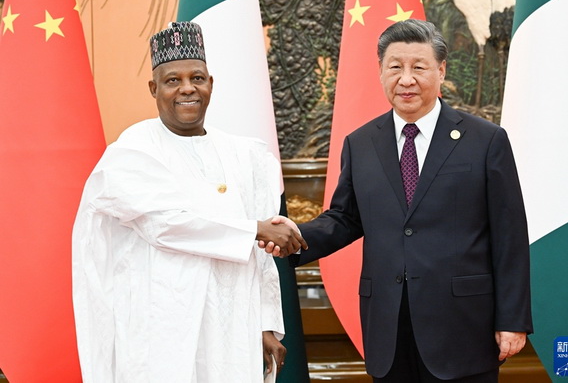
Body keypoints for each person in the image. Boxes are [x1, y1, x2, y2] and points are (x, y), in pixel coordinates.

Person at [286, 19, 533, 382]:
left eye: (419, 67)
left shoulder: (485, 140)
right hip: (389, 325)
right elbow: (345, 218)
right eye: (395, 67)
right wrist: (292, 237)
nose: (406, 79)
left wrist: (512, 319)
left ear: (441, 70)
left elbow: (509, 235)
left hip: (463, 325)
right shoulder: (360, 143)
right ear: (380, 72)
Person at [72, 21, 307, 382]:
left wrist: (265, 323)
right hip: (160, 328)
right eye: (173, 80)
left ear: (210, 83)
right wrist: (253, 230)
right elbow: (164, 226)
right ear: (154, 88)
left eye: (197, 78)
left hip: (231, 327)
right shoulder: (132, 152)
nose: (187, 88)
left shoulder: (245, 155)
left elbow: (260, 256)